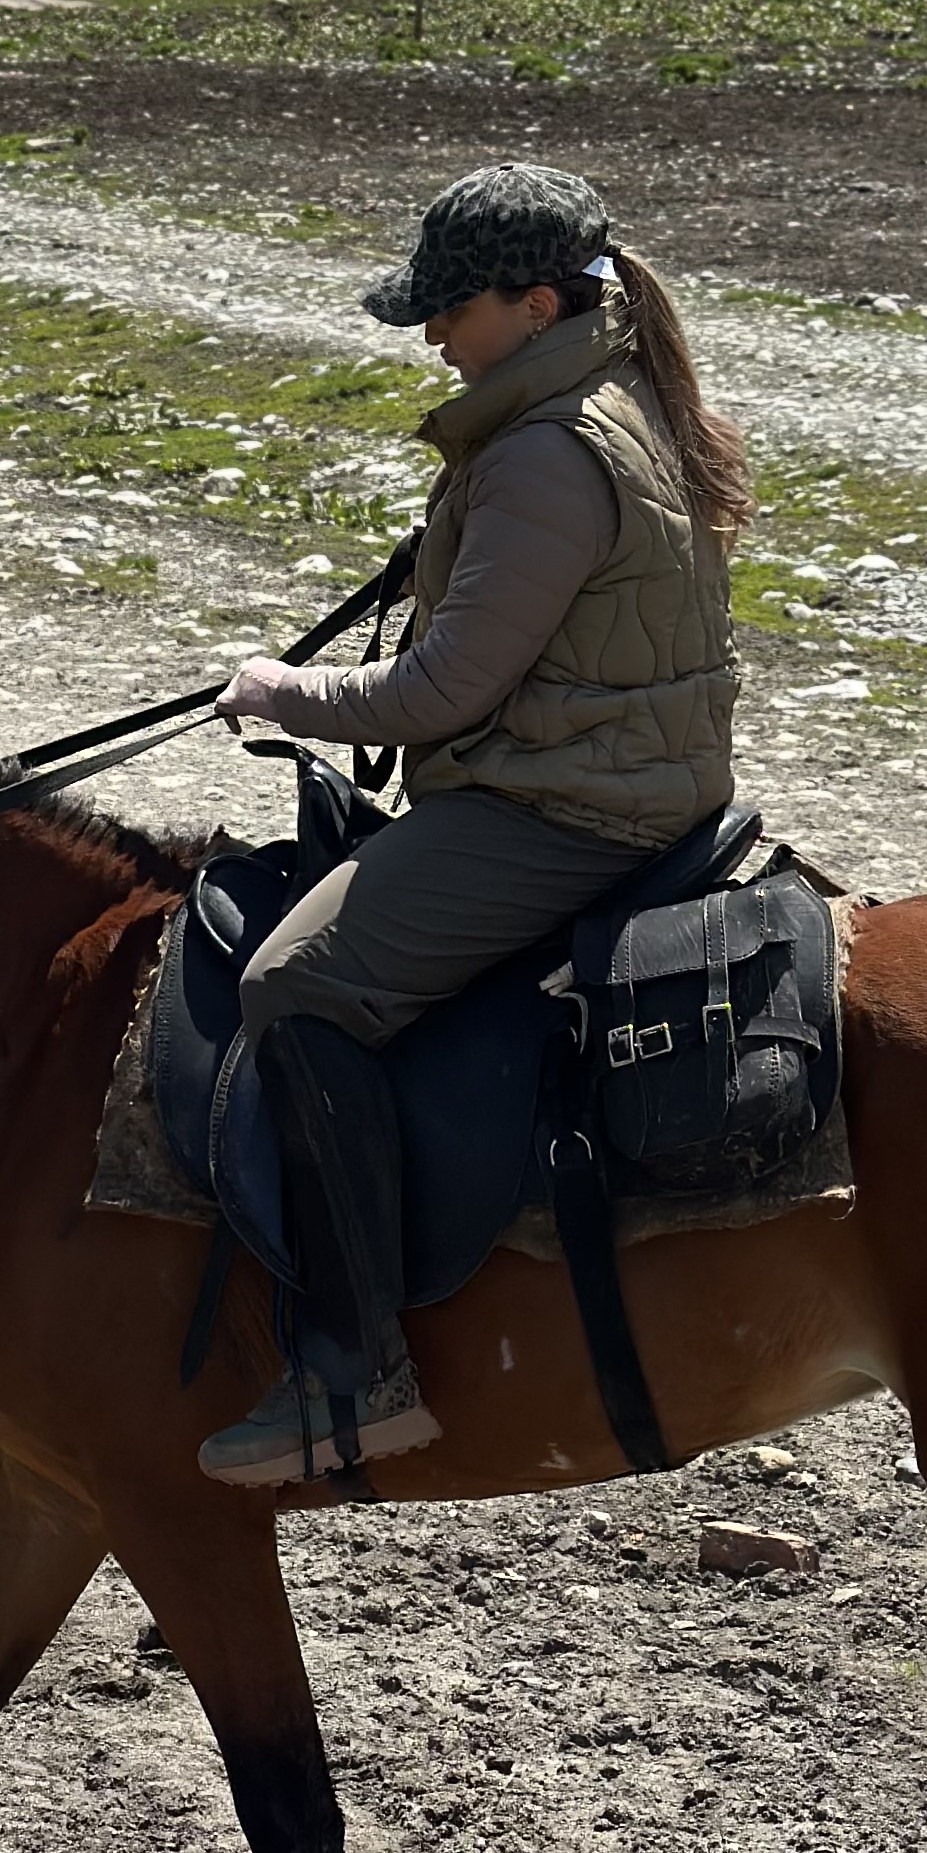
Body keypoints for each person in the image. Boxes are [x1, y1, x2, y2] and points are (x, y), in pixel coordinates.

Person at [199, 162, 750, 1486]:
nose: (435, 334)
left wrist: (284, 692)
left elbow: (443, 688)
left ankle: (357, 1365)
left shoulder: (550, 457)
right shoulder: (607, 403)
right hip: (629, 773)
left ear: (539, 300)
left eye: (453, 310)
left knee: (296, 983)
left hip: (567, 807)